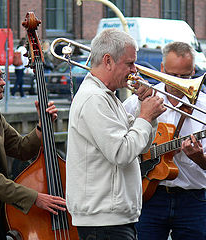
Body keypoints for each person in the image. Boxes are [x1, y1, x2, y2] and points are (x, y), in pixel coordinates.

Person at [66, 28, 166, 240]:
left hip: (112, 218)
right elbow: (121, 153)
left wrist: (145, 110)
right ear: (108, 60)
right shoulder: (95, 99)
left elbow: (140, 145)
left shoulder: (107, 96)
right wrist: (145, 117)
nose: (134, 69)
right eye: (129, 63)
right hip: (104, 221)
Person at [0, 50, 66, 240]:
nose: (2, 82)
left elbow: (20, 148)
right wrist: (36, 197)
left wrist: (40, 127)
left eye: (1, 76)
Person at [123, 41, 206, 240]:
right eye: (172, 75)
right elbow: (118, 139)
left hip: (193, 198)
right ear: (161, 69)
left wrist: (199, 158)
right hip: (150, 194)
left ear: (193, 71)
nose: (178, 83)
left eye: (184, 76)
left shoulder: (203, 107)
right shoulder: (142, 98)